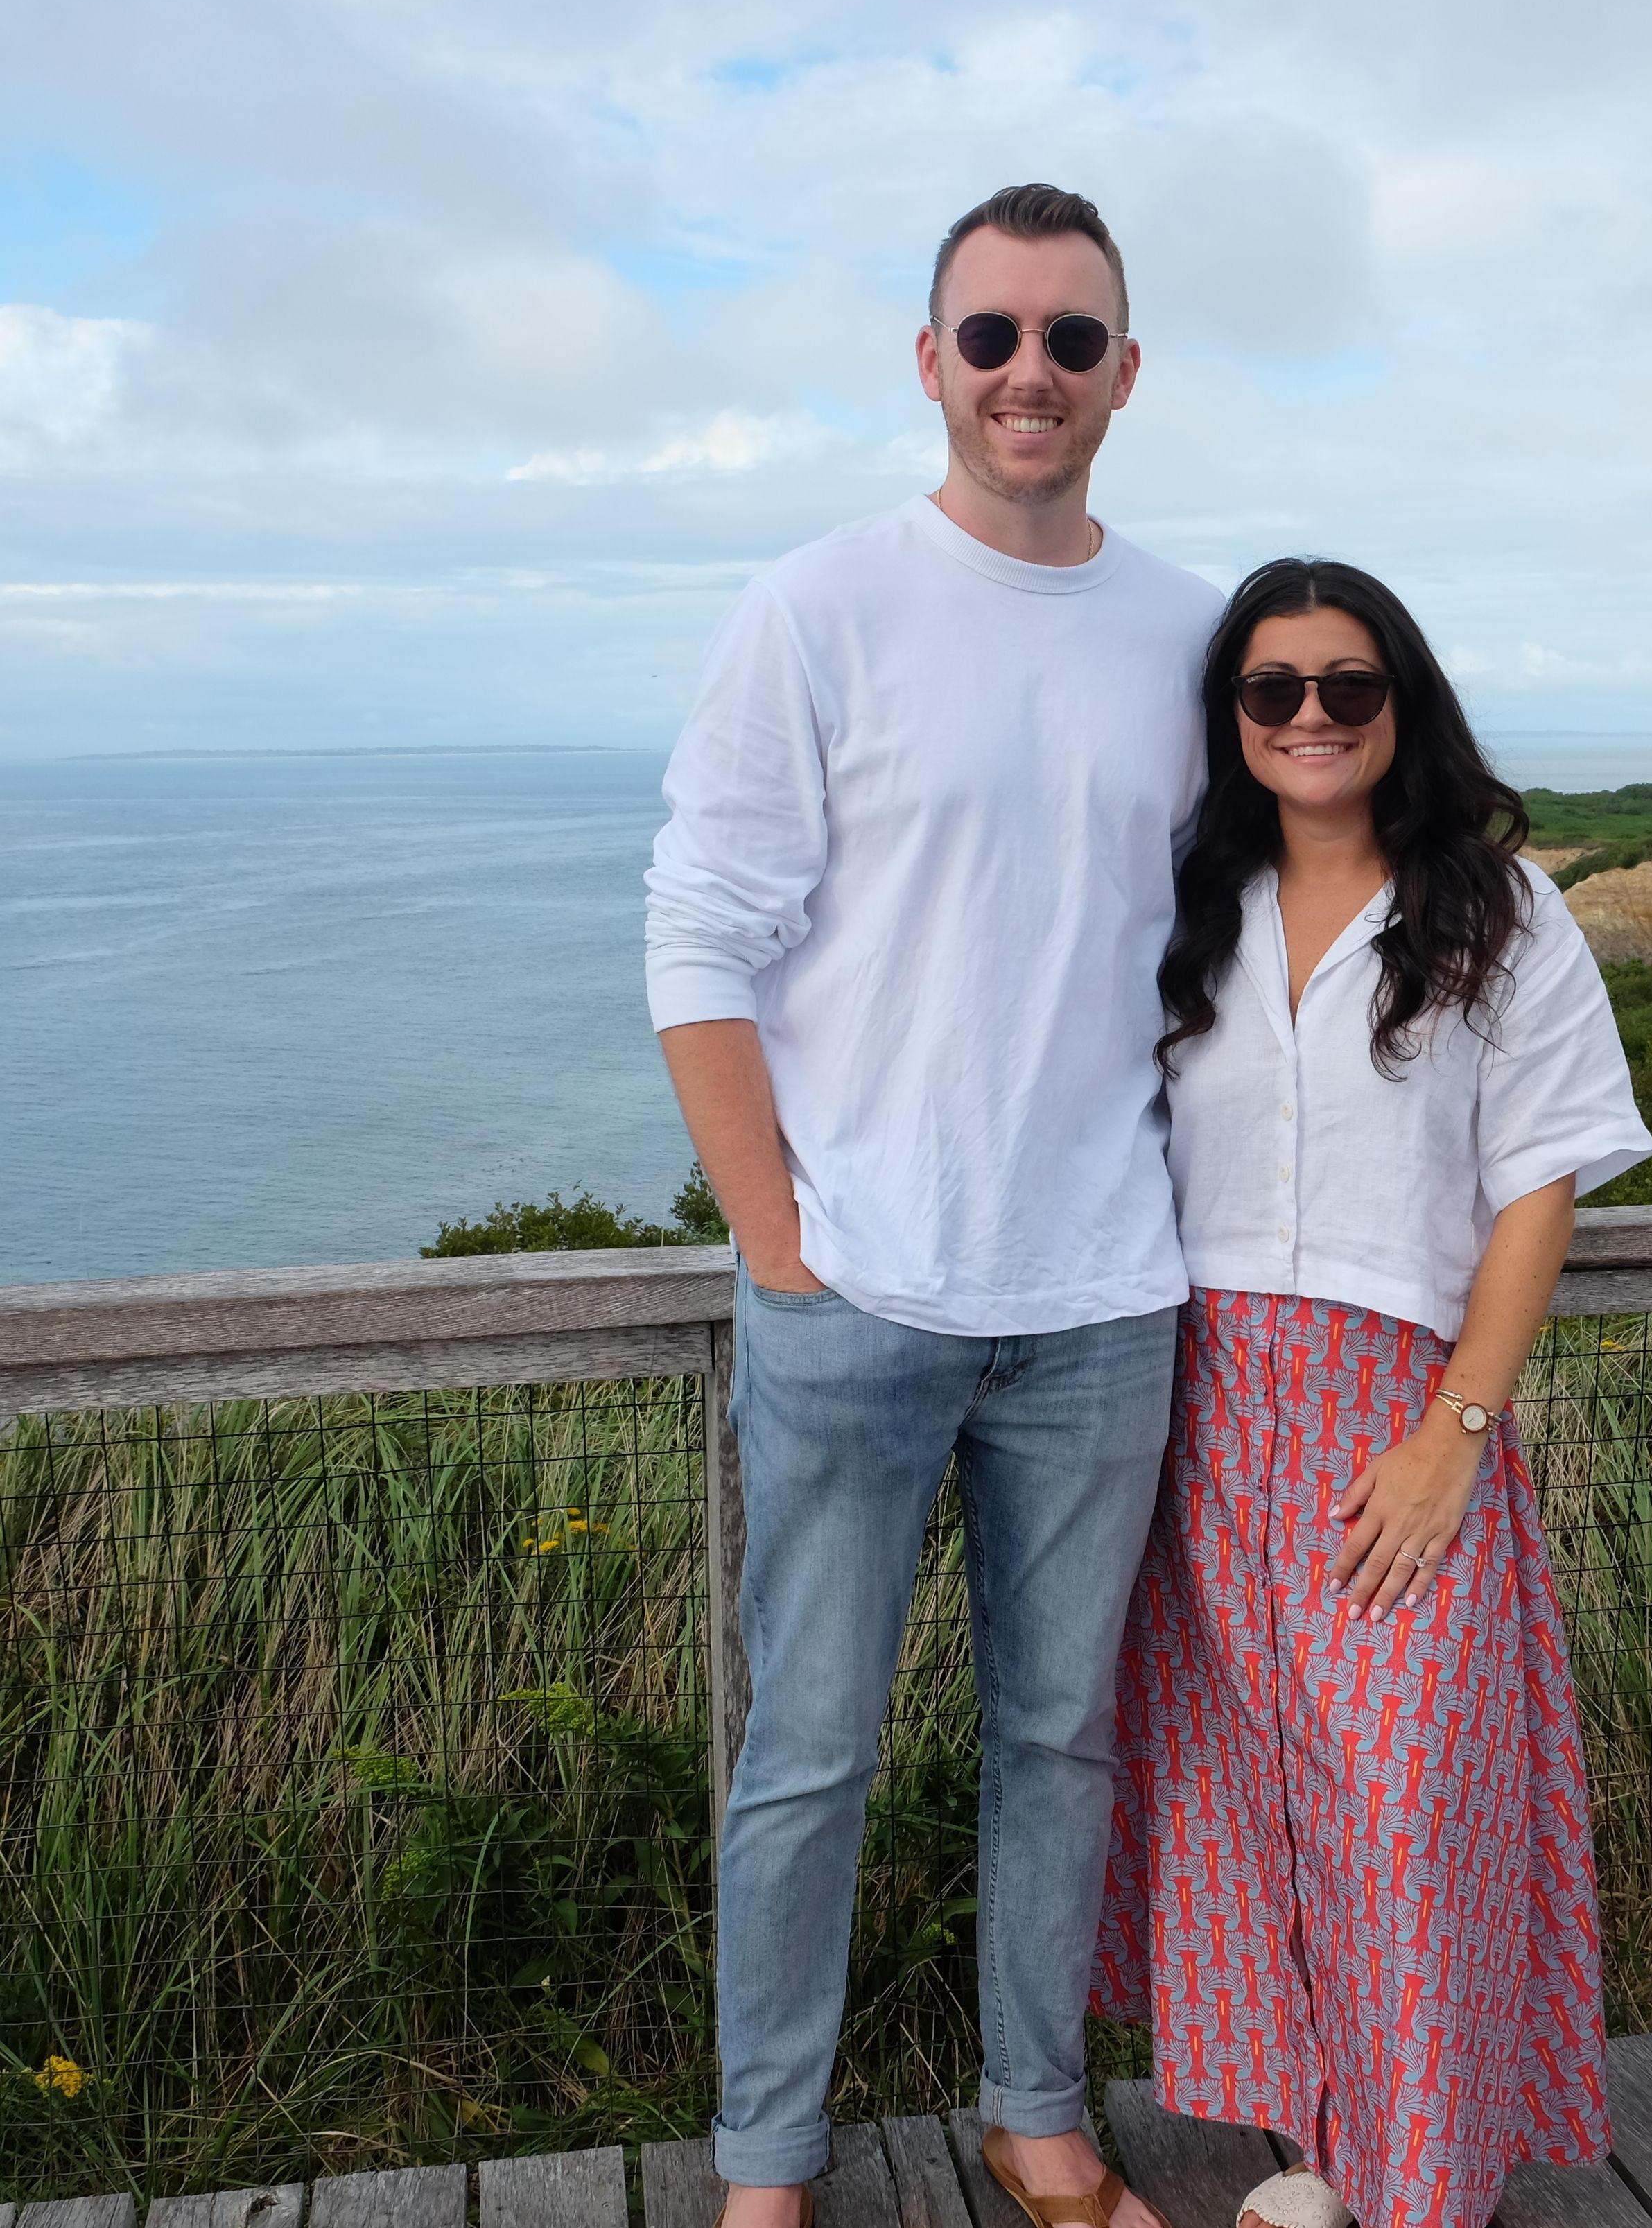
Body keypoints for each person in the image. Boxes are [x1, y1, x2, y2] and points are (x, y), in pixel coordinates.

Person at [645, 184, 1217, 2228]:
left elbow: (1239, 925)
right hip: (858, 1291)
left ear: (1125, 372)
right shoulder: (815, 606)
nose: (1027, 372)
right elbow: (699, 934)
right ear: (929, 363)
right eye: (991, 335)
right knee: (806, 1751)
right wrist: (777, 1238)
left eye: (1069, 337)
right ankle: (766, 2164)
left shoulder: (1191, 635)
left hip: (1104, 1294)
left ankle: (1036, 2114)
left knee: (1061, 1741)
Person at [1093, 560, 1652, 2228]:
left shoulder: (1496, 912)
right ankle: (1323, 2150)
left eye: (1348, 684)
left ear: (1400, 702)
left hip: (1393, 1403)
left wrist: (1454, 1431)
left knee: (1406, 1799)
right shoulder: (1184, 906)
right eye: (1271, 688)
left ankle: (1423, 2186)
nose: (1311, 716)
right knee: (1242, 1790)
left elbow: (1539, 1182)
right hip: (1194, 1397)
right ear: (1230, 716)